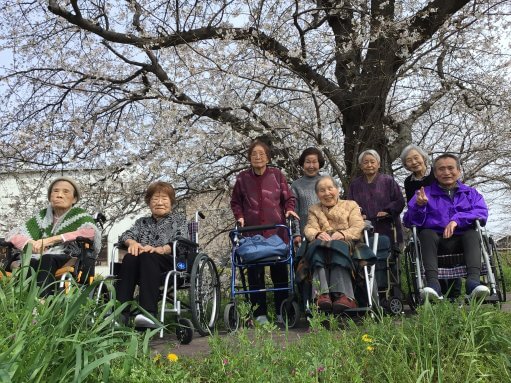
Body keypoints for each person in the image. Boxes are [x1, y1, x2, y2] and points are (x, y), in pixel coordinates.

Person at [403, 153, 490, 300]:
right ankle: (433, 286)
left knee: (472, 234)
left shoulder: (470, 193)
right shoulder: (423, 193)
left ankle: (473, 284)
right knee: (425, 233)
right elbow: (408, 221)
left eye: (450, 168)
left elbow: (481, 213)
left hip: (463, 243)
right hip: (435, 243)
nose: (446, 172)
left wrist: (457, 219)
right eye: (441, 169)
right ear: (435, 174)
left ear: (459, 171)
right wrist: (419, 206)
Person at [230, 140, 298, 324]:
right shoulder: (242, 178)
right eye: (254, 154)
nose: (258, 157)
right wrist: (239, 216)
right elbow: (236, 201)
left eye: (261, 154)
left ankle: (281, 312)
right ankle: (259, 314)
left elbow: (288, 197)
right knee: (255, 272)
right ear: (249, 158)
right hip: (252, 233)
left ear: (268, 157)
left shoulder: (276, 175)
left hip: (276, 232)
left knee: (279, 272)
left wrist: (290, 209)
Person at [6, 177, 101, 295]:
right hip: (39, 256)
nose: (59, 195)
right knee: (31, 262)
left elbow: (90, 232)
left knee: (47, 258)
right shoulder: (41, 216)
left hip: (68, 255)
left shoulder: (80, 215)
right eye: (55, 191)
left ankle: (42, 302)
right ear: (50, 196)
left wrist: (50, 240)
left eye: (66, 192)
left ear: (74, 198)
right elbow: (15, 235)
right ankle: (24, 301)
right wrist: (30, 243)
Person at [116, 181, 188, 327]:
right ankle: (120, 314)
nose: (159, 203)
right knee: (130, 257)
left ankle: (148, 313)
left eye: (164, 199)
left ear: (171, 202)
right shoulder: (142, 222)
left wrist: (160, 249)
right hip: (142, 264)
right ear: (149, 202)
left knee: (148, 256)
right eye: (155, 199)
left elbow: (181, 241)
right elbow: (126, 235)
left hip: (169, 262)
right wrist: (132, 243)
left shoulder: (179, 220)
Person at [303, 175, 374, 313]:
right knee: (316, 249)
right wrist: (317, 234)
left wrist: (343, 234)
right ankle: (321, 294)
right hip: (322, 242)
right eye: (322, 190)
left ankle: (345, 296)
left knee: (337, 248)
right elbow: (309, 227)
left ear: (337, 190)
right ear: (317, 194)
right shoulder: (314, 209)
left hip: (346, 241)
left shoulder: (351, 205)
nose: (327, 193)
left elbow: (358, 225)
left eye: (330, 188)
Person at [400, 145, 461, 298]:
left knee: (451, 249)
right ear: (405, 165)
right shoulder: (409, 182)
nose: (414, 162)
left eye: (416, 158)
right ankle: (437, 289)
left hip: (444, 219)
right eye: (409, 160)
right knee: (427, 243)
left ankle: (454, 292)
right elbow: (411, 204)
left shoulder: (438, 173)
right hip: (424, 222)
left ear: (424, 158)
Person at [348, 149, 405, 246]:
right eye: (365, 162)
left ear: (378, 164)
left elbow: (399, 201)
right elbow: (349, 205)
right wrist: (358, 214)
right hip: (363, 226)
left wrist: (388, 211)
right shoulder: (355, 184)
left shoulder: (388, 181)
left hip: (386, 224)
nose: (369, 165)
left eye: (372, 162)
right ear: (361, 166)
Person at [291, 147, 325, 245]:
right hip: (305, 234)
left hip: (327, 231)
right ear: (303, 164)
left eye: (314, 162)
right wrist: (296, 234)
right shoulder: (296, 185)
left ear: (319, 164)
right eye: (308, 162)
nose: (311, 166)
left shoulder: (327, 182)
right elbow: (294, 211)